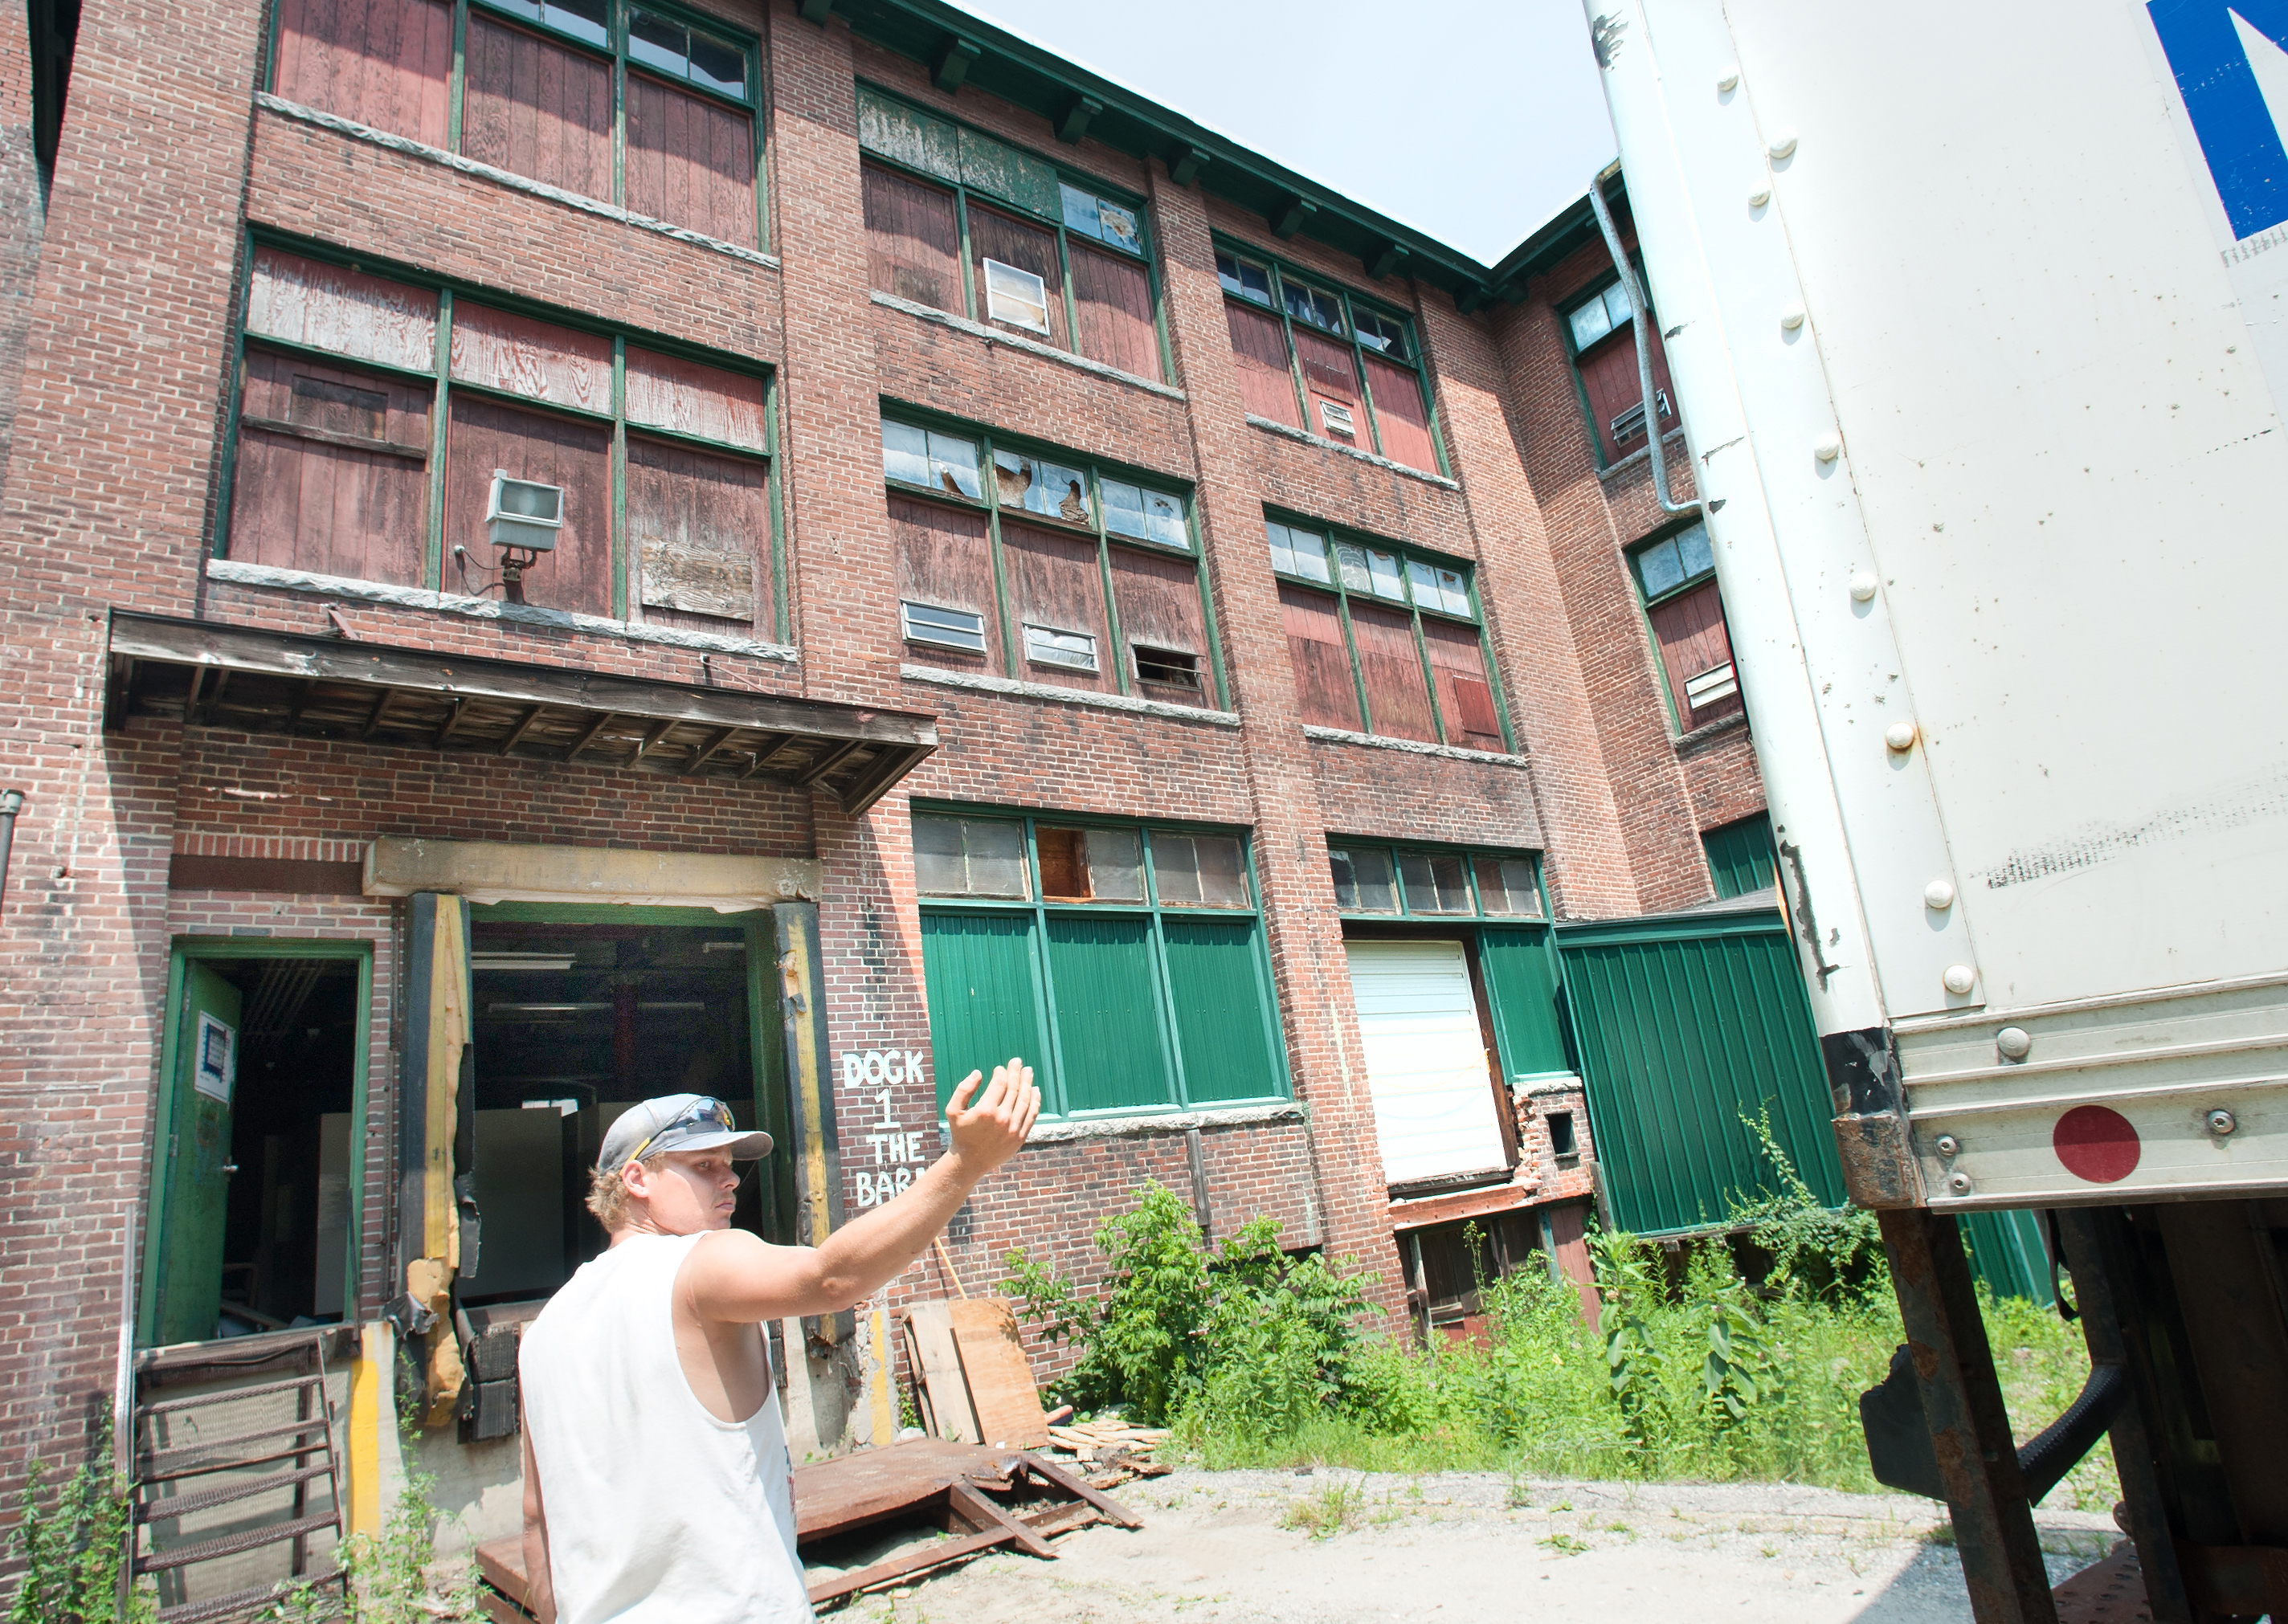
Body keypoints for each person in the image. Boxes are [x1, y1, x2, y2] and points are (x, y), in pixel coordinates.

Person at [517, 1058, 1040, 1623]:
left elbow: (536, 1524)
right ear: (637, 1180)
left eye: (730, 1164)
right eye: (704, 1165)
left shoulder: (547, 1330)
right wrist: (965, 1164)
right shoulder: (699, 1264)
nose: (732, 1178)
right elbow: (832, 1278)